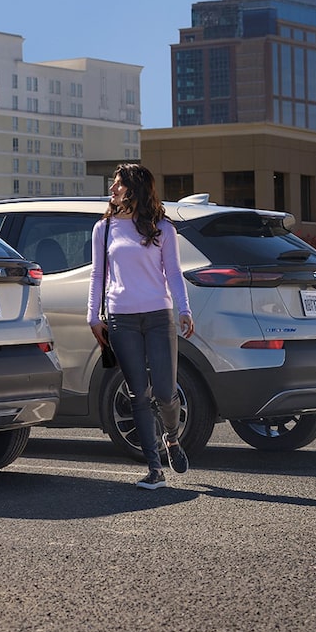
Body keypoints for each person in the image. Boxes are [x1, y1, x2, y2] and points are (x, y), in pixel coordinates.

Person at [88, 163, 195, 490]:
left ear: (134, 189)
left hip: (158, 316)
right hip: (122, 319)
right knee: (138, 393)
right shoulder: (103, 228)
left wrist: (184, 309)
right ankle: (154, 469)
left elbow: (174, 273)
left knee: (164, 391)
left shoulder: (163, 228)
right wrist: (93, 315)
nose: (112, 190)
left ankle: (172, 438)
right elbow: (97, 275)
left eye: (117, 185)